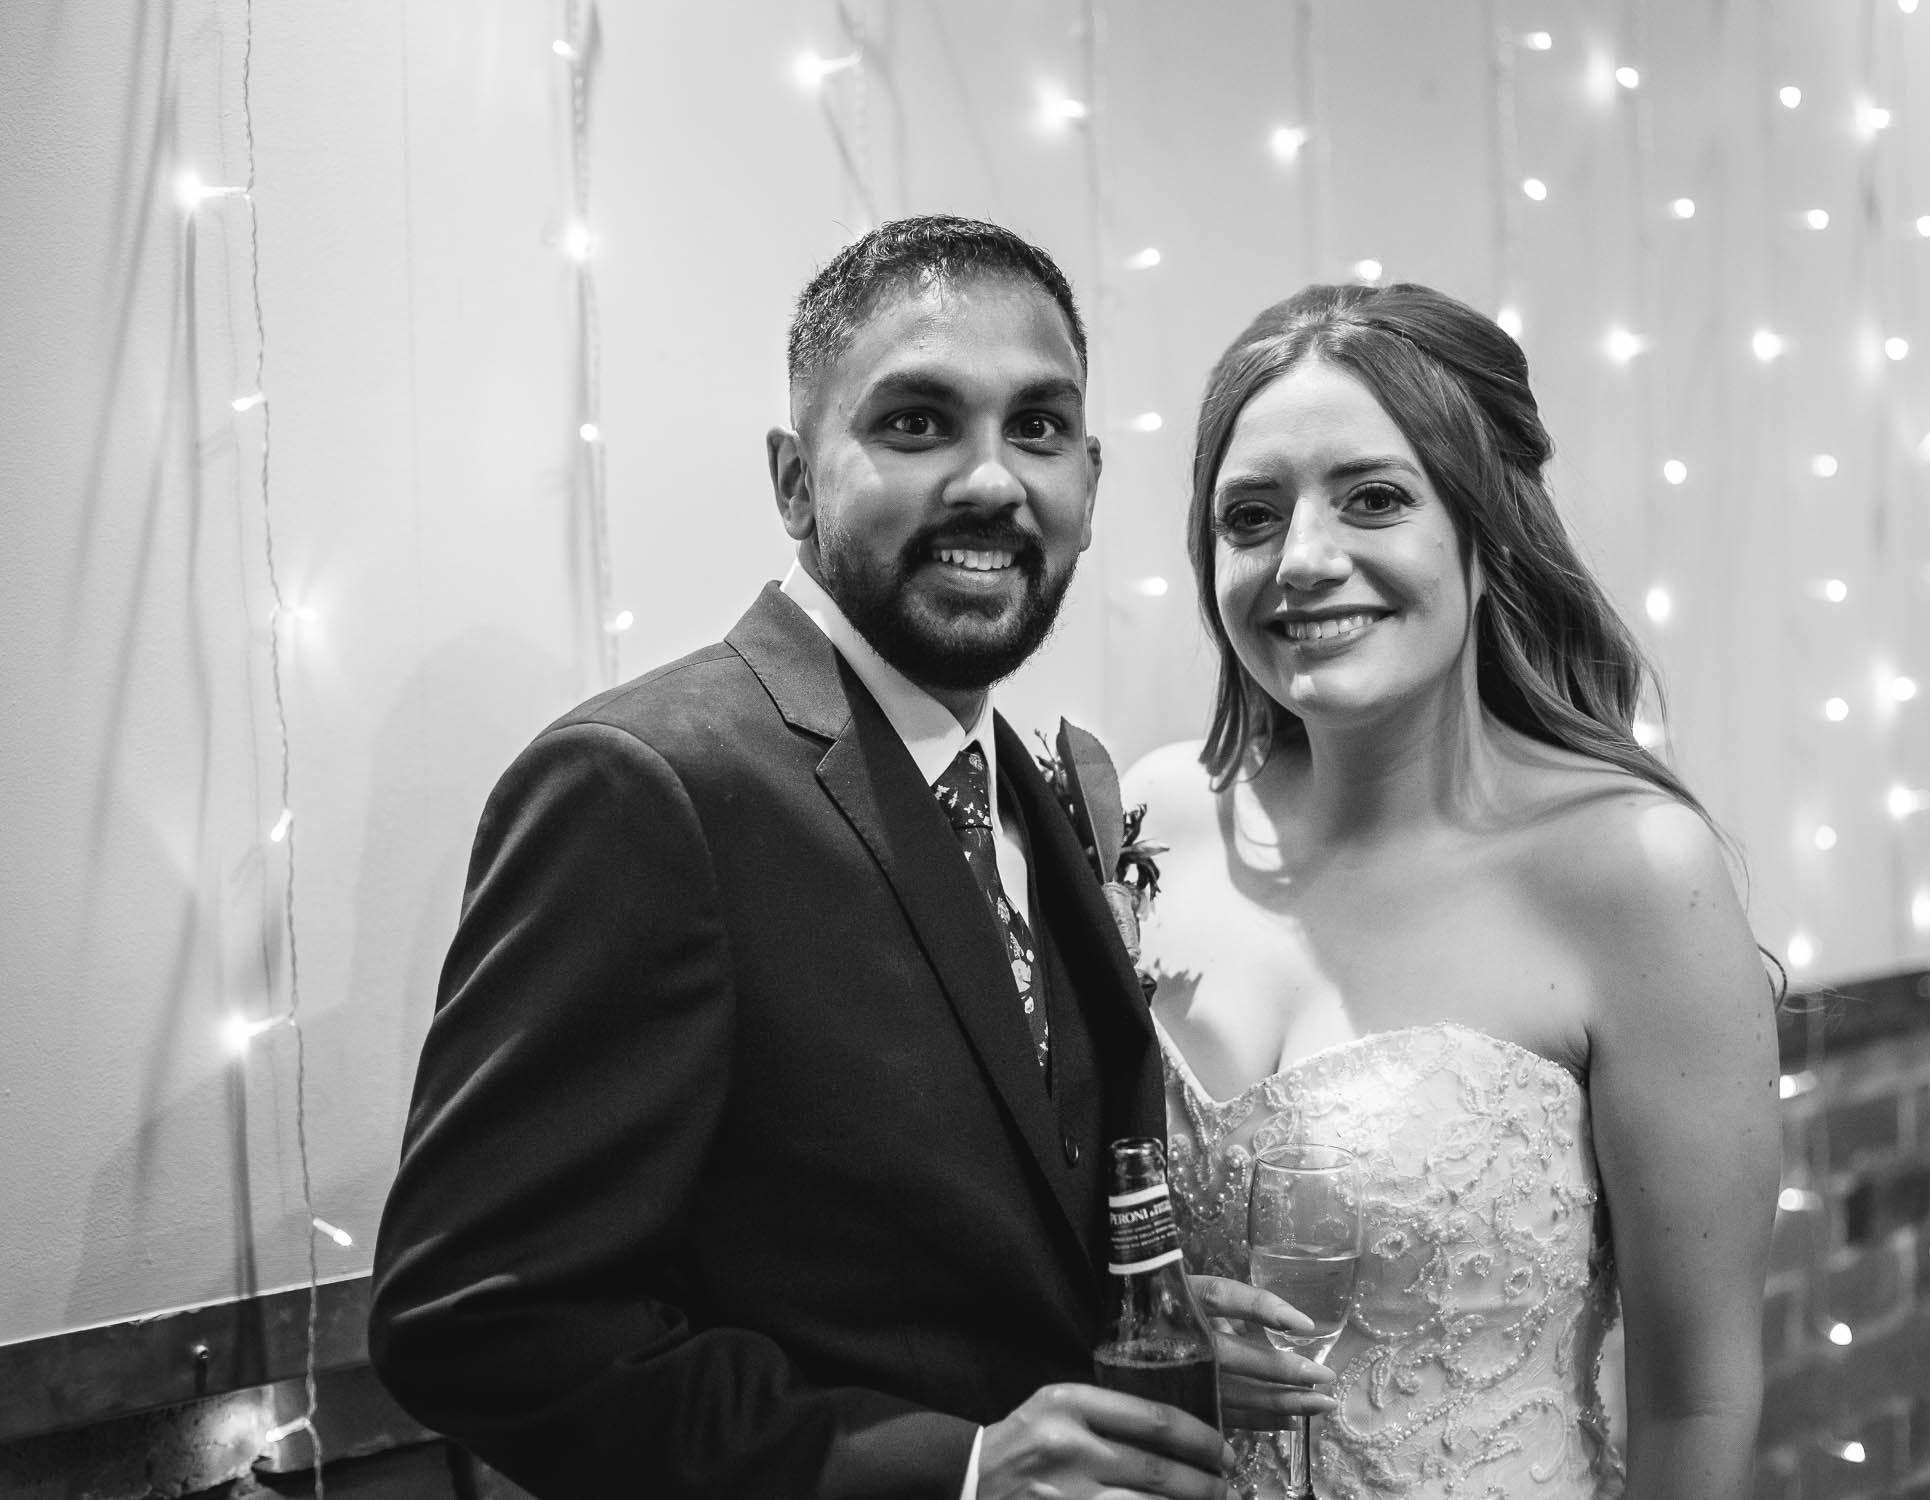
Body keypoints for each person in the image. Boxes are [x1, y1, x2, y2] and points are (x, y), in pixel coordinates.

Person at [368, 216, 1237, 1499]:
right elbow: (475, 1320)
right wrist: (953, 1472)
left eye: (1039, 428)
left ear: (1091, 484)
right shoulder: (645, 786)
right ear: (793, 481)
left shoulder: (1048, 786)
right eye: (917, 424)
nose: (992, 481)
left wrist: (1156, 1329)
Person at [1124, 283, 1781, 1498]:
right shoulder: (1155, 820)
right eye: (1251, 516)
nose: (1303, 560)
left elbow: (1698, 1397)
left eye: (1374, 499)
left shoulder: (1633, 871)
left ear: (1487, 530)